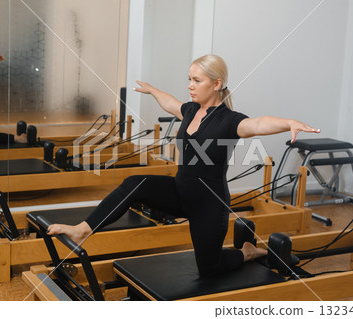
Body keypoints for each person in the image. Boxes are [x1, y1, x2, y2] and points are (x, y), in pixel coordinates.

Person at [47, 54, 320, 277]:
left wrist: (289, 123)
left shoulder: (229, 120)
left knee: (209, 269)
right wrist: (153, 91)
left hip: (209, 205)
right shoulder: (190, 110)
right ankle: (84, 229)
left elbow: (259, 124)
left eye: (196, 80)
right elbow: (171, 104)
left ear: (216, 84)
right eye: (189, 79)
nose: (190, 85)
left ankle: (247, 252)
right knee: (134, 184)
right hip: (180, 192)